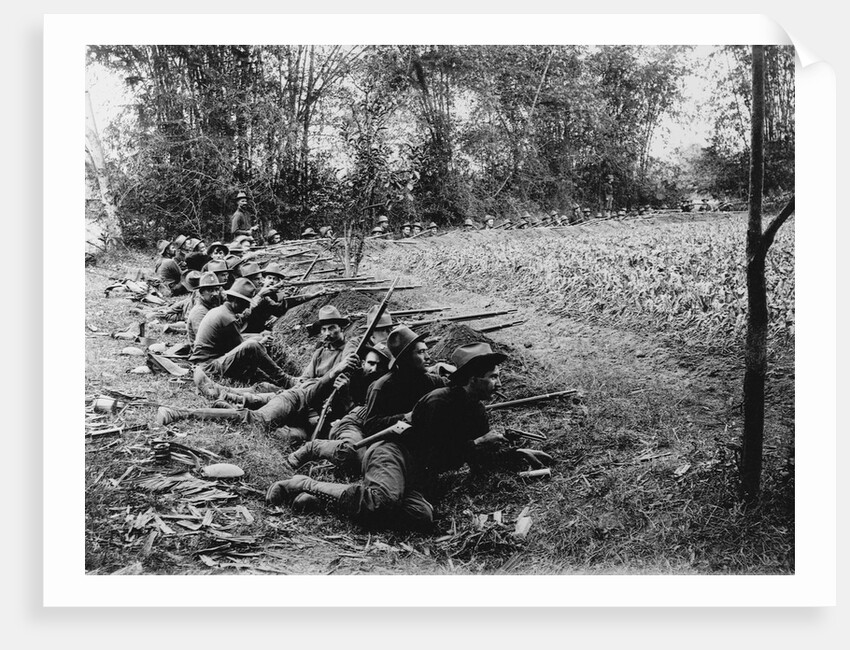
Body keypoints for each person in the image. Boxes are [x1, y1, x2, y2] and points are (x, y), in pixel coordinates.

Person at [266, 343, 550, 530]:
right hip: (392, 454)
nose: (498, 383)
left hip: (416, 473)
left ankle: (322, 502)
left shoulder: (476, 411)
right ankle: (303, 483)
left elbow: (477, 458)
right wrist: (476, 444)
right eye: (493, 376)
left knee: (420, 517)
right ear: (473, 378)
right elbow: (435, 452)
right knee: (382, 501)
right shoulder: (438, 401)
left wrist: (514, 455)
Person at [188, 277, 292, 386]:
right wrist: (260, 342)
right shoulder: (228, 319)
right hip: (209, 368)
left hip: (208, 363)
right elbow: (244, 349)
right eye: (246, 302)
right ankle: (284, 380)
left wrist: (259, 337)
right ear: (236, 301)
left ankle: (273, 380)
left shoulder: (220, 311)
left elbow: (237, 342)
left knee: (256, 340)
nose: (247, 306)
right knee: (253, 345)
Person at [186, 272, 225, 345]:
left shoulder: (212, 306)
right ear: (201, 292)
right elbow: (205, 341)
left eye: (216, 289)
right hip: (206, 352)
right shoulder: (199, 312)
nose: (215, 293)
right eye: (210, 290)